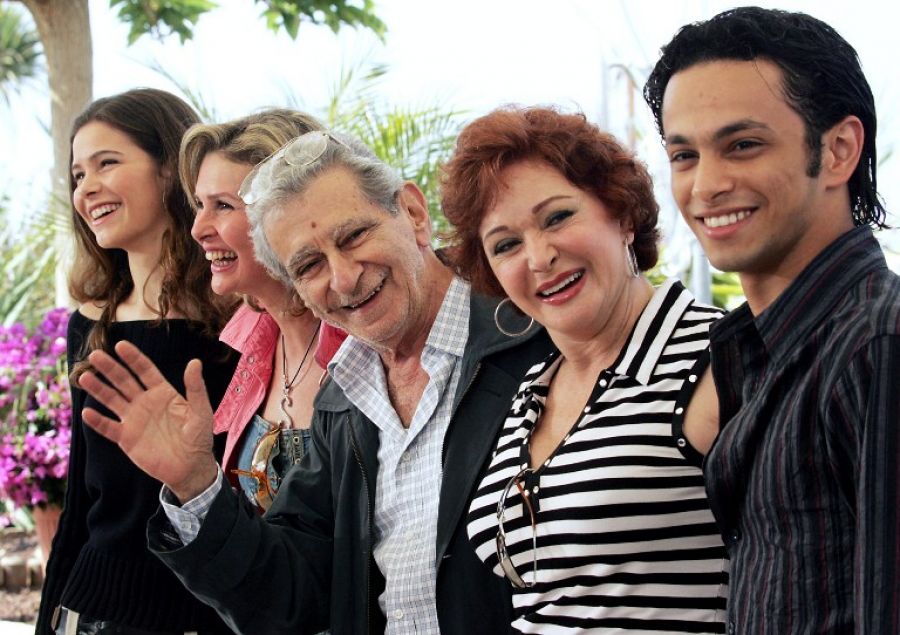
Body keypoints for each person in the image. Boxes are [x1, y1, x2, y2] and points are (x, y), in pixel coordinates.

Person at [71, 129, 553, 634]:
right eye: (309, 264)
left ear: (412, 212)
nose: (343, 278)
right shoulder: (343, 394)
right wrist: (195, 483)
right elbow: (293, 595)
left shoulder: (533, 338)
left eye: (353, 236)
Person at [643, 7, 900, 633]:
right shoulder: (750, 351)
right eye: (684, 155)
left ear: (839, 150)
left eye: (743, 145)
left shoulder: (875, 344)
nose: (706, 185)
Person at [440, 106, 728, 633]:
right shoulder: (531, 389)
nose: (539, 256)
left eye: (557, 217)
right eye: (506, 244)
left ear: (621, 214)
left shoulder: (717, 355)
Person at [36, 89, 238, 634]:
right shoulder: (90, 323)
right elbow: (81, 502)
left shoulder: (241, 317)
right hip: (90, 609)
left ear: (170, 169)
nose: (87, 188)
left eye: (107, 163)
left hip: (209, 611)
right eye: (78, 174)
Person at [181, 109, 345, 511]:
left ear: (285, 212)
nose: (198, 228)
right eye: (200, 204)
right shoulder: (250, 344)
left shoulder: (364, 341)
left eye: (222, 205)